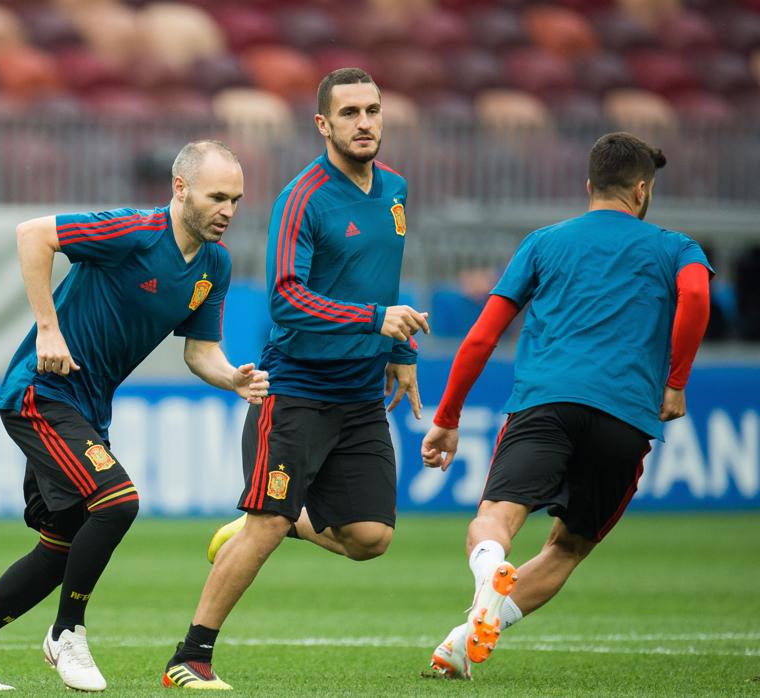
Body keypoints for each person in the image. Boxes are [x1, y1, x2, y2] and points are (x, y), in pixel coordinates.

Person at [0, 140, 267, 692]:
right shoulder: (133, 230)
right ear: (180, 189)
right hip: (40, 393)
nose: (228, 210)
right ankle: (68, 632)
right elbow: (33, 234)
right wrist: (47, 327)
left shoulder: (215, 265)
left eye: (235, 199)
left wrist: (233, 378)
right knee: (117, 501)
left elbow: (199, 351)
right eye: (217, 197)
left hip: (87, 407)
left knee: (59, 546)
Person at [160, 68, 431, 690]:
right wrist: (374, 318)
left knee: (370, 538)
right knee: (267, 525)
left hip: (361, 393)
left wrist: (401, 351)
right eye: (350, 113)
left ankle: (281, 517)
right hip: (298, 391)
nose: (365, 123)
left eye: (373, 110)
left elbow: (383, 280)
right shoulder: (303, 196)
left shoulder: (395, 190)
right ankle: (191, 657)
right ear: (324, 125)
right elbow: (286, 298)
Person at [420, 132, 711, 680]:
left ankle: (489, 574)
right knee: (568, 547)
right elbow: (696, 296)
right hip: (625, 416)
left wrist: (448, 418)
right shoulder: (676, 247)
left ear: (589, 186)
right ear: (642, 191)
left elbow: (483, 336)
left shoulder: (543, 242)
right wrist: (676, 382)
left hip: (544, 404)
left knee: (495, 519)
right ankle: (461, 643)